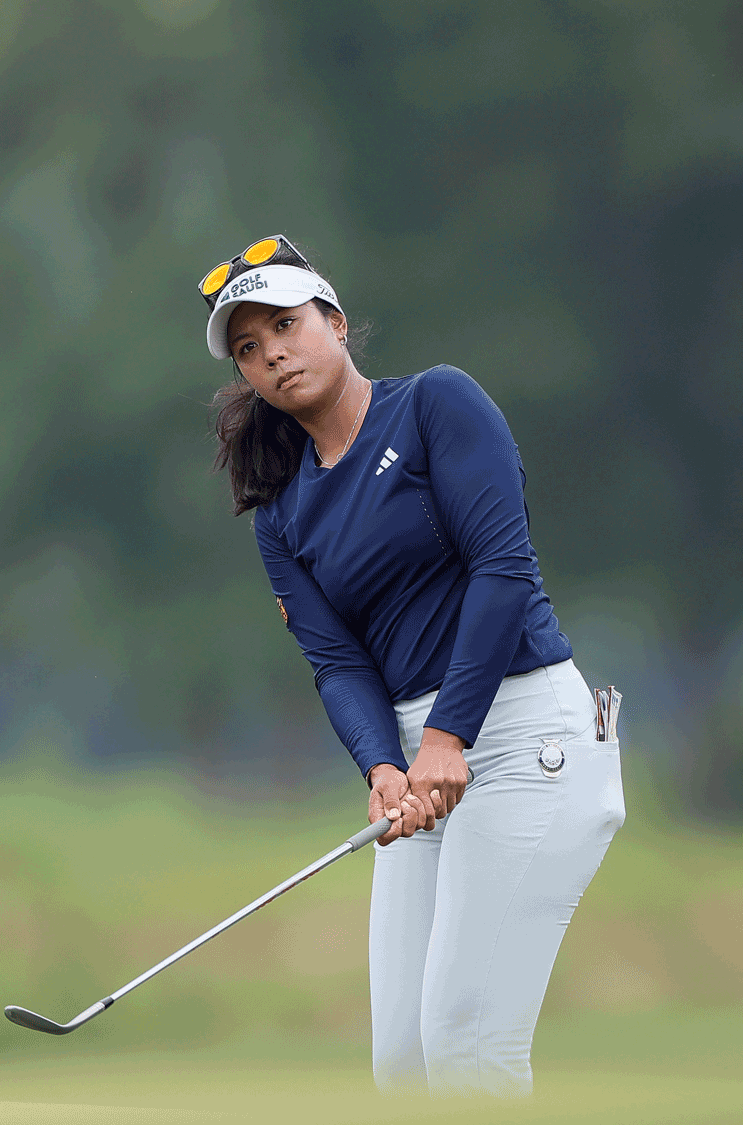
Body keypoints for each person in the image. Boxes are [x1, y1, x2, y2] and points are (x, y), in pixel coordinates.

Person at [200, 236, 625, 1096]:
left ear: (338, 322)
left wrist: (445, 733)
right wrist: (384, 767)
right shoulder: (282, 516)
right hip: (424, 764)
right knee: (403, 1065)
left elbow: (504, 571)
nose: (272, 353)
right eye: (248, 347)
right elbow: (337, 663)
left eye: (285, 324)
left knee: (467, 1050)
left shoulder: (437, 404)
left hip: (524, 740)